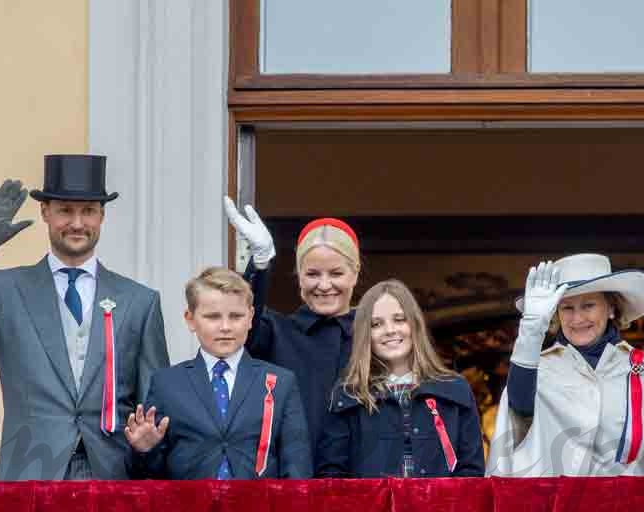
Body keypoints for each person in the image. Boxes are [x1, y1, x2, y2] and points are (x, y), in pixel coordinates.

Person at [0, 154, 169, 479]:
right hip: (29, 473)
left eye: (88, 212)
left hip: (114, 477)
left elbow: (155, 402)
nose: (78, 223)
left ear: (102, 215)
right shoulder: (4, 289)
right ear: (45, 212)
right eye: (65, 210)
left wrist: (148, 450)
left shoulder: (139, 301)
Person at [125, 267, 310, 479]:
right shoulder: (167, 384)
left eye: (236, 317)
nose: (225, 327)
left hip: (258, 509)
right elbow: (148, 475)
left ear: (250, 317)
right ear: (190, 319)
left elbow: (297, 467)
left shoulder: (280, 383)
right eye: (212, 317)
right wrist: (144, 450)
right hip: (188, 509)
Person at [487, 254, 644, 477]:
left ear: (611, 307)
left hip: (627, 508)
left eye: (588, 305)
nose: (577, 318)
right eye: (567, 308)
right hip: (556, 508)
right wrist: (532, 329)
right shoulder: (539, 369)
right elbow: (518, 408)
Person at [224, 198, 359, 464]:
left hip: (365, 483)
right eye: (312, 274)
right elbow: (240, 326)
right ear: (298, 275)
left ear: (355, 273)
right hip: (293, 479)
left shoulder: (374, 335)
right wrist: (259, 265)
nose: (324, 284)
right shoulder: (276, 331)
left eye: (336, 273)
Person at [317, 279, 484, 478]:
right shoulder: (348, 394)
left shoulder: (455, 389)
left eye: (399, 319)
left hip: (440, 508)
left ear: (415, 325)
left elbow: (471, 472)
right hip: (370, 509)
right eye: (376, 324)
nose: (390, 330)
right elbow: (331, 477)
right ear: (365, 334)